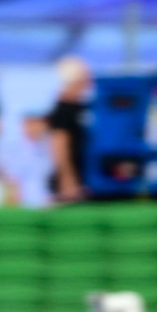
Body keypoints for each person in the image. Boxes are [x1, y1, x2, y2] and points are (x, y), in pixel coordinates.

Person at [48, 56, 93, 204]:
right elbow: (59, 147)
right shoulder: (63, 110)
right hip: (71, 185)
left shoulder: (81, 107)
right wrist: (68, 180)